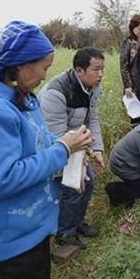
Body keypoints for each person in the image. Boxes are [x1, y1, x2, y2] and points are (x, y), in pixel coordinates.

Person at [0, 20, 92, 279]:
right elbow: (4, 179)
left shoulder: (22, 99)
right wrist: (63, 149)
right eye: (43, 68)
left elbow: (40, 142)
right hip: (3, 250)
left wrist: (71, 160)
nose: (45, 76)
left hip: (30, 234)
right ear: (20, 65)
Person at [38, 47, 105, 250]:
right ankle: (65, 232)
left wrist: (98, 150)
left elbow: (91, 119)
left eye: (102, 69)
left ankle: (77, 223)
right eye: (96, 69)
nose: (100, 74)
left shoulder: (93, 88)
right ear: (79, 70)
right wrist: (83, 156)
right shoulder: (56, 93)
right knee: (73, 185)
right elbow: (57, 136)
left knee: (88, 182)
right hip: (55, 145)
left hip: (77, 142)